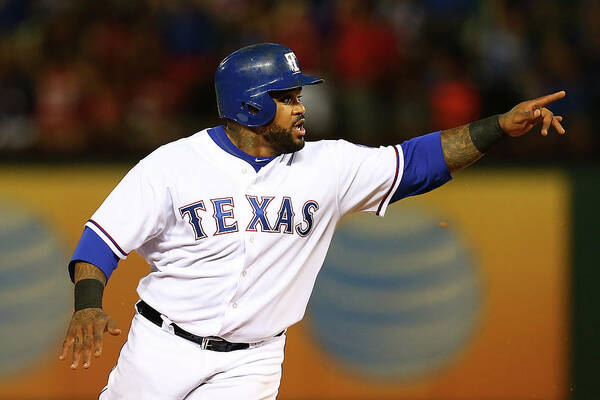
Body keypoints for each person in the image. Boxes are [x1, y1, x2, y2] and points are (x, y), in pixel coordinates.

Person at [59, 43, 566, 399]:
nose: (302, 108)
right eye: (288, 98)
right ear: (251, 105)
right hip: (162, 347)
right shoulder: (172, 166)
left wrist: (500, 125)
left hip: (250, 362)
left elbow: (418, 162)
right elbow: (100, 241)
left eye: (298, 96)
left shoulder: (329, 166)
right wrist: (87, 306)